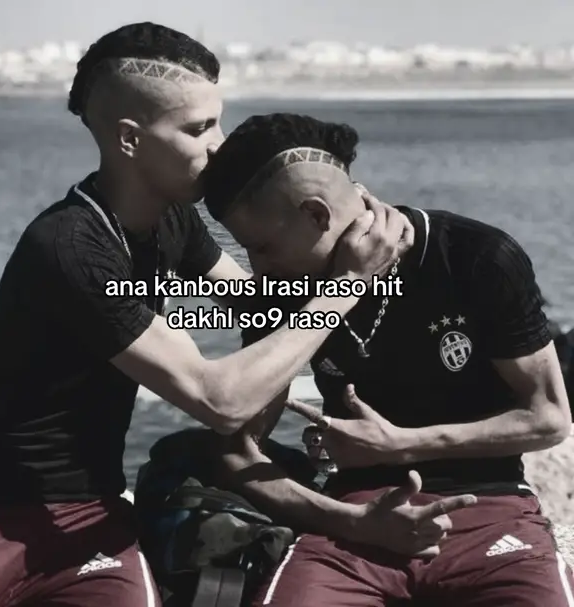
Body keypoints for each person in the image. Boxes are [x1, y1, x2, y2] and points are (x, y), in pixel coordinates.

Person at [0, 22, 458, 607]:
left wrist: (328, 232)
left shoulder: (173, 222)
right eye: (198, 128)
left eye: (219, 122)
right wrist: (347, 285)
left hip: (90, 513)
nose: (219, 145)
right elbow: (218, 399)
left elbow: (262, 303)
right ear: (130, 139)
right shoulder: (69, 246)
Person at [200, 112, 574, 606]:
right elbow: (238, 451)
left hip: (489, 505)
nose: (258, 268)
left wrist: (400, 445)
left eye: (264, 248)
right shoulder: (284, 289)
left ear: (317, 215)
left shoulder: (475, 256)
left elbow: (549, 417)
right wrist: (350, 520)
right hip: (355, 516)